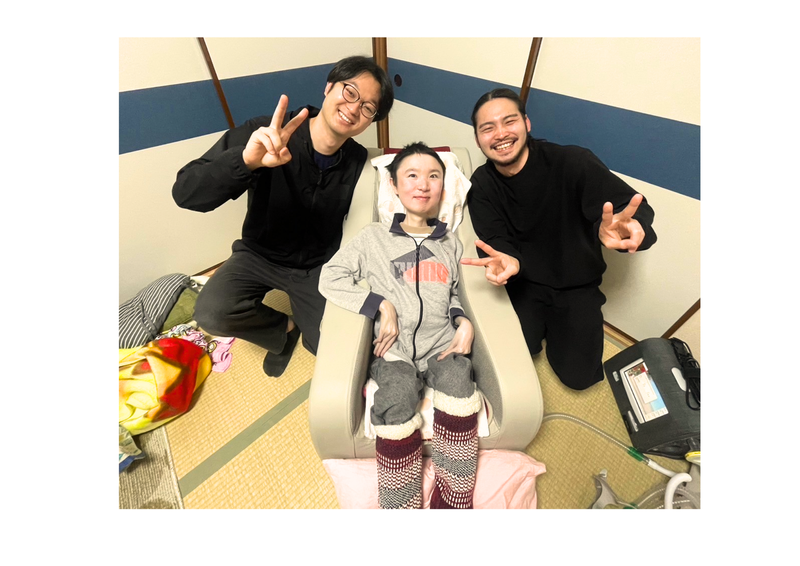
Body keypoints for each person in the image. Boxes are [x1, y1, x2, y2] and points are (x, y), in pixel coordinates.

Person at [172, 56, 394, 377]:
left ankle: (305, 326)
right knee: (212, 312)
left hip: (318, 266)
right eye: (349, 92)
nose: (354, 108)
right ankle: (283, 330)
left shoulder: (359, 161)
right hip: (259, 254)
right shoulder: (266, 134)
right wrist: (246, 162)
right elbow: (186, 192)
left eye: (368, 107)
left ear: (371, 120)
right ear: (328, 87)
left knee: (334, 347)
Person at [319, 143, 482, 509]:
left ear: (442, 187)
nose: (423, 184)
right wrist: (380, 304)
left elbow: (455, 292)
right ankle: (400, 504)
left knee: (460, 382)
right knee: (396, 395)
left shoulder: (450, 243)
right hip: (394, 352)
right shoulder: (373, 238)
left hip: (442, 344)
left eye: (433, 176)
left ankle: (454, 497)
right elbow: (330, 277)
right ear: (393, 185)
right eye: (412, 175)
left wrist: (463, 322)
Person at [461, 88, 657, 391]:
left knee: (579, 378)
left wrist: (627, 227)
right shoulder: (482, 184)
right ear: (478, 139)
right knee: (506, 356)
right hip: (523, 284)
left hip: (576, 285)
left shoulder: (572, 162)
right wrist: (509, 260)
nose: (500, 134)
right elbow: (496, 238)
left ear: (527, 123)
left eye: (509, 121)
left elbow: (629, 208)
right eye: (488, 128)